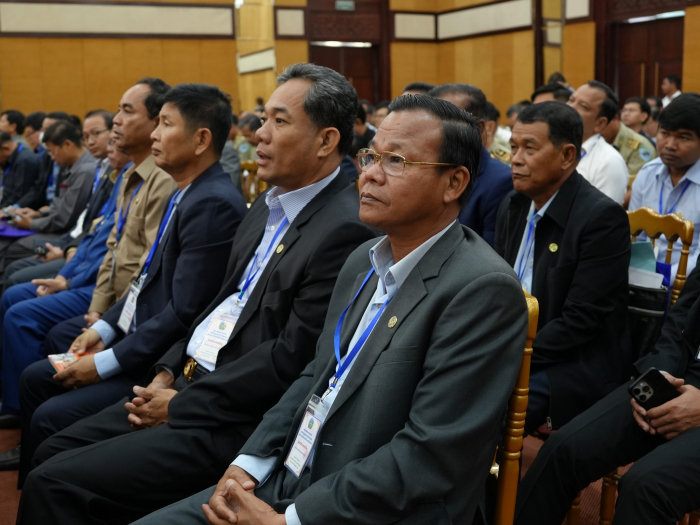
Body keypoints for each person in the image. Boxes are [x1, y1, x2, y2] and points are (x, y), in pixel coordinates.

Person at [129, 93, 529, 525]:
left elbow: (428, 455)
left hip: (366, 511)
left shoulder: (481, 289)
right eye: (370, 156)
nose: (370, 174)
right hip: (288, 477)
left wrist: (290, 520)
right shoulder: (362, 261)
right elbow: (316, 375)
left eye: (395, 161)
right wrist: (249, 463)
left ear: (454, 183)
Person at [17, 63, 378, 525]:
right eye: (263, 119)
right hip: (187, 380)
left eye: (279, 121)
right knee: (53, 447)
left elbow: (290, 358)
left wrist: (182, 403)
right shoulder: (266, 206)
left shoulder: (343, 228)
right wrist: (167, 371)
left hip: (230, 417)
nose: (260, 134)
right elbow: (217, 305)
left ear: (326, 141)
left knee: (54, 481)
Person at [14, 83, 248, 485]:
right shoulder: (186, 192)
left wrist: (104, 362)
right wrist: (104, 328)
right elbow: (146, 277)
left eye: (166, 124)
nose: (154, 134)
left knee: (50, 418)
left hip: (155, 358)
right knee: (35, 378)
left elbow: (183, 313)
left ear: (201, 140)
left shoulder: (211, 203)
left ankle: (42, 494)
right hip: (135, 334)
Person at [514, 256, 700, 525]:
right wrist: (659, 376)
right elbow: (682, 319)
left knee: (646, 488)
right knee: (564, 450)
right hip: (684, 375)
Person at [495, 101, 631, 432]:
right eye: (513, 147)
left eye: (529, 148)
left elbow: (580, 321)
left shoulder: (601, 218)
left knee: (481, 409)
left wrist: (510, 355)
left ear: (567, 155)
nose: (515, 159)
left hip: (569, 360)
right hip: (513, 345)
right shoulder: (514, 204)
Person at [0, 138, 131, 467]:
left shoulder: (141, 180)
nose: (105, 144)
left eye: (113, 136)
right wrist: (66, 268)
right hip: (85, 271)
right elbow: (90, 234)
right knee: (15, 291)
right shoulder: (117, 176)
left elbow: (120, 258)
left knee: (20, 310)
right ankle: (16, 404)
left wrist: (70, 282)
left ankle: (24, 415)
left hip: (103, 288)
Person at [45, 78, 177, 338]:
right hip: (111, 298)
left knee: (33, 321)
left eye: (127, 111)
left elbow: (149, 265)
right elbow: (112, 248)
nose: (116, 120)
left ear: (156, 123)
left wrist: (108, 319)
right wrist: (97, 308)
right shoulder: (127, 175)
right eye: (118, 110)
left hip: (133, 308)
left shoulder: (164, 179)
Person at [0, 121, 97, 276]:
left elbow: (65, 219)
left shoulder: (85, 171)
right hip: (60, 227)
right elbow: (61, 205)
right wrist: (38, 213)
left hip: (67, 234)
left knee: (15, 248)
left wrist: (31, 224)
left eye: (53, 152)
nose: (52, 158)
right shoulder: (73, 166)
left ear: (67, 145)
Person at [431, 83, 513, 246]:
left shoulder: (500, 182)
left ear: (479, 128)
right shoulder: (422, 169)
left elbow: (491, 254)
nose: (436, 131)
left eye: (446, 123)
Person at [629, 94, 700, 276]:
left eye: (683, 137)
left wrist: (661, 280)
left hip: (688, 284)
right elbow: (633, 236)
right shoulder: (648, 173)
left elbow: (698, 259)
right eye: (664, 134)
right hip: (639, 278)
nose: (670, 145)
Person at [567, 80, 628, 204]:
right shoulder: (551, 146)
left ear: (600, 123)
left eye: (583, 106)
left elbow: (604, 214)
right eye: (571, 100)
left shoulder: (609, 162)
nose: (570, 107)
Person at [0, 131, 40, 208]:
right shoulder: (9, 159)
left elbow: (19, 195)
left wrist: (3, 210)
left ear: (6, 148)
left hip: (19, 209)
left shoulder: (25, 160)